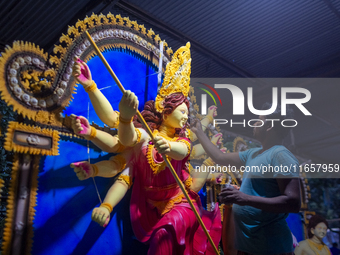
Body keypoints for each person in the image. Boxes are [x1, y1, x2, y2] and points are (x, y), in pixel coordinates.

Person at [70, 42, 222, 255]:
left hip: (181, 203)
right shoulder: (145, 138)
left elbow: (182, 151)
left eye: (187, 111)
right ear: (164, 111)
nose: (186, 115)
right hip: (151, 210)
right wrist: (106, 206)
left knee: (164, 236)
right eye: (182, 110)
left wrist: (168, 146)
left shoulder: (182, 140)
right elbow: (124, 167)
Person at [192, 103, 301, 255]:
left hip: (271, 248)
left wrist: (244, 198)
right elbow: (219, 157)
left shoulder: (280, 155)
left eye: (259, 120)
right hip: (248, 246)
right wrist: (198, 132)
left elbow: (293, 202)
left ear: (268, 126)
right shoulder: (253, 154)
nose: (254, 124)